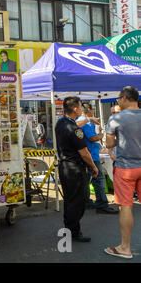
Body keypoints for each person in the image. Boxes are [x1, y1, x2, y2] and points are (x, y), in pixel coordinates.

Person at [104, 86, 141, 259]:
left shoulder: (116, 118)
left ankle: (125, 248)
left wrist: (121, 135)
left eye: (118, 98)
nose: (117, 100)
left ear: (125, 98)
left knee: (126, 206)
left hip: (126, 167)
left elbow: (109, 144)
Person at [55, 96, 98, 243]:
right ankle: (74, 231)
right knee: (77, 201)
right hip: (75, 169)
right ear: (75, 109)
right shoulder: (74, 129)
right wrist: (93, 166)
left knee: (69, 200)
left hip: (65, 166)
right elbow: (84, 153)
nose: (81, 109)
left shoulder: (61, 123)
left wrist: (88, 120)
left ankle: (69, 228)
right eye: (80, 107)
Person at [76, 103, 118, 214]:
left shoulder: (81, 120)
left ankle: (87, 202)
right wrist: (101, 134)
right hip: (92, 156)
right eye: (93, 109)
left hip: (87, 154)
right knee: (98, 180)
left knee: (87, 180)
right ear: (88, 110)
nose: (94, 112)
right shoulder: (87, 123)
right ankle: (101, 204)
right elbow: (93, 137)